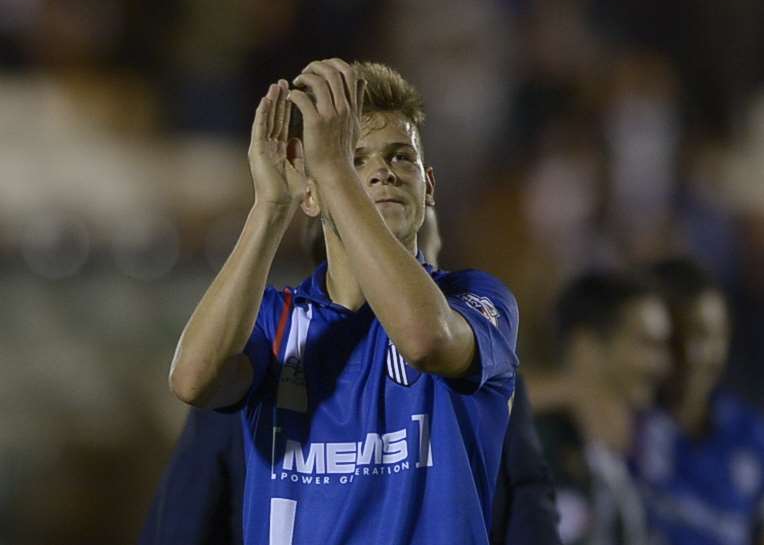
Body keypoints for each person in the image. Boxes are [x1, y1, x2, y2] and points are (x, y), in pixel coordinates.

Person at [167, 59, 519, 545]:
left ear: (428, 186)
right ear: (310, 195)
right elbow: (191, 380)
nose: (383, 173)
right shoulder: (276, 320)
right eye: (357, 159)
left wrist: (333, 169)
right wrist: (270, 207)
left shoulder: (475, 298)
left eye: (401, 157)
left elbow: (424, 340)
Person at [139, 209, 562, 545]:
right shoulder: (262, 345)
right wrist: (270, 206)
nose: (413, 274)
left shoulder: (480, 344)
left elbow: (527, 497)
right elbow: (185, 512)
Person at [630, 258, 764, 545]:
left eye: (707, 335)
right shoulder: (621, 427)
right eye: (677, 337)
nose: (693, 354)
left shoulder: (752, 433)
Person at [532, 271, 671, 545]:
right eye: (646, 344)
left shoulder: (650, 449)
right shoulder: (534, 448)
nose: (663, 364)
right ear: (587, 348)